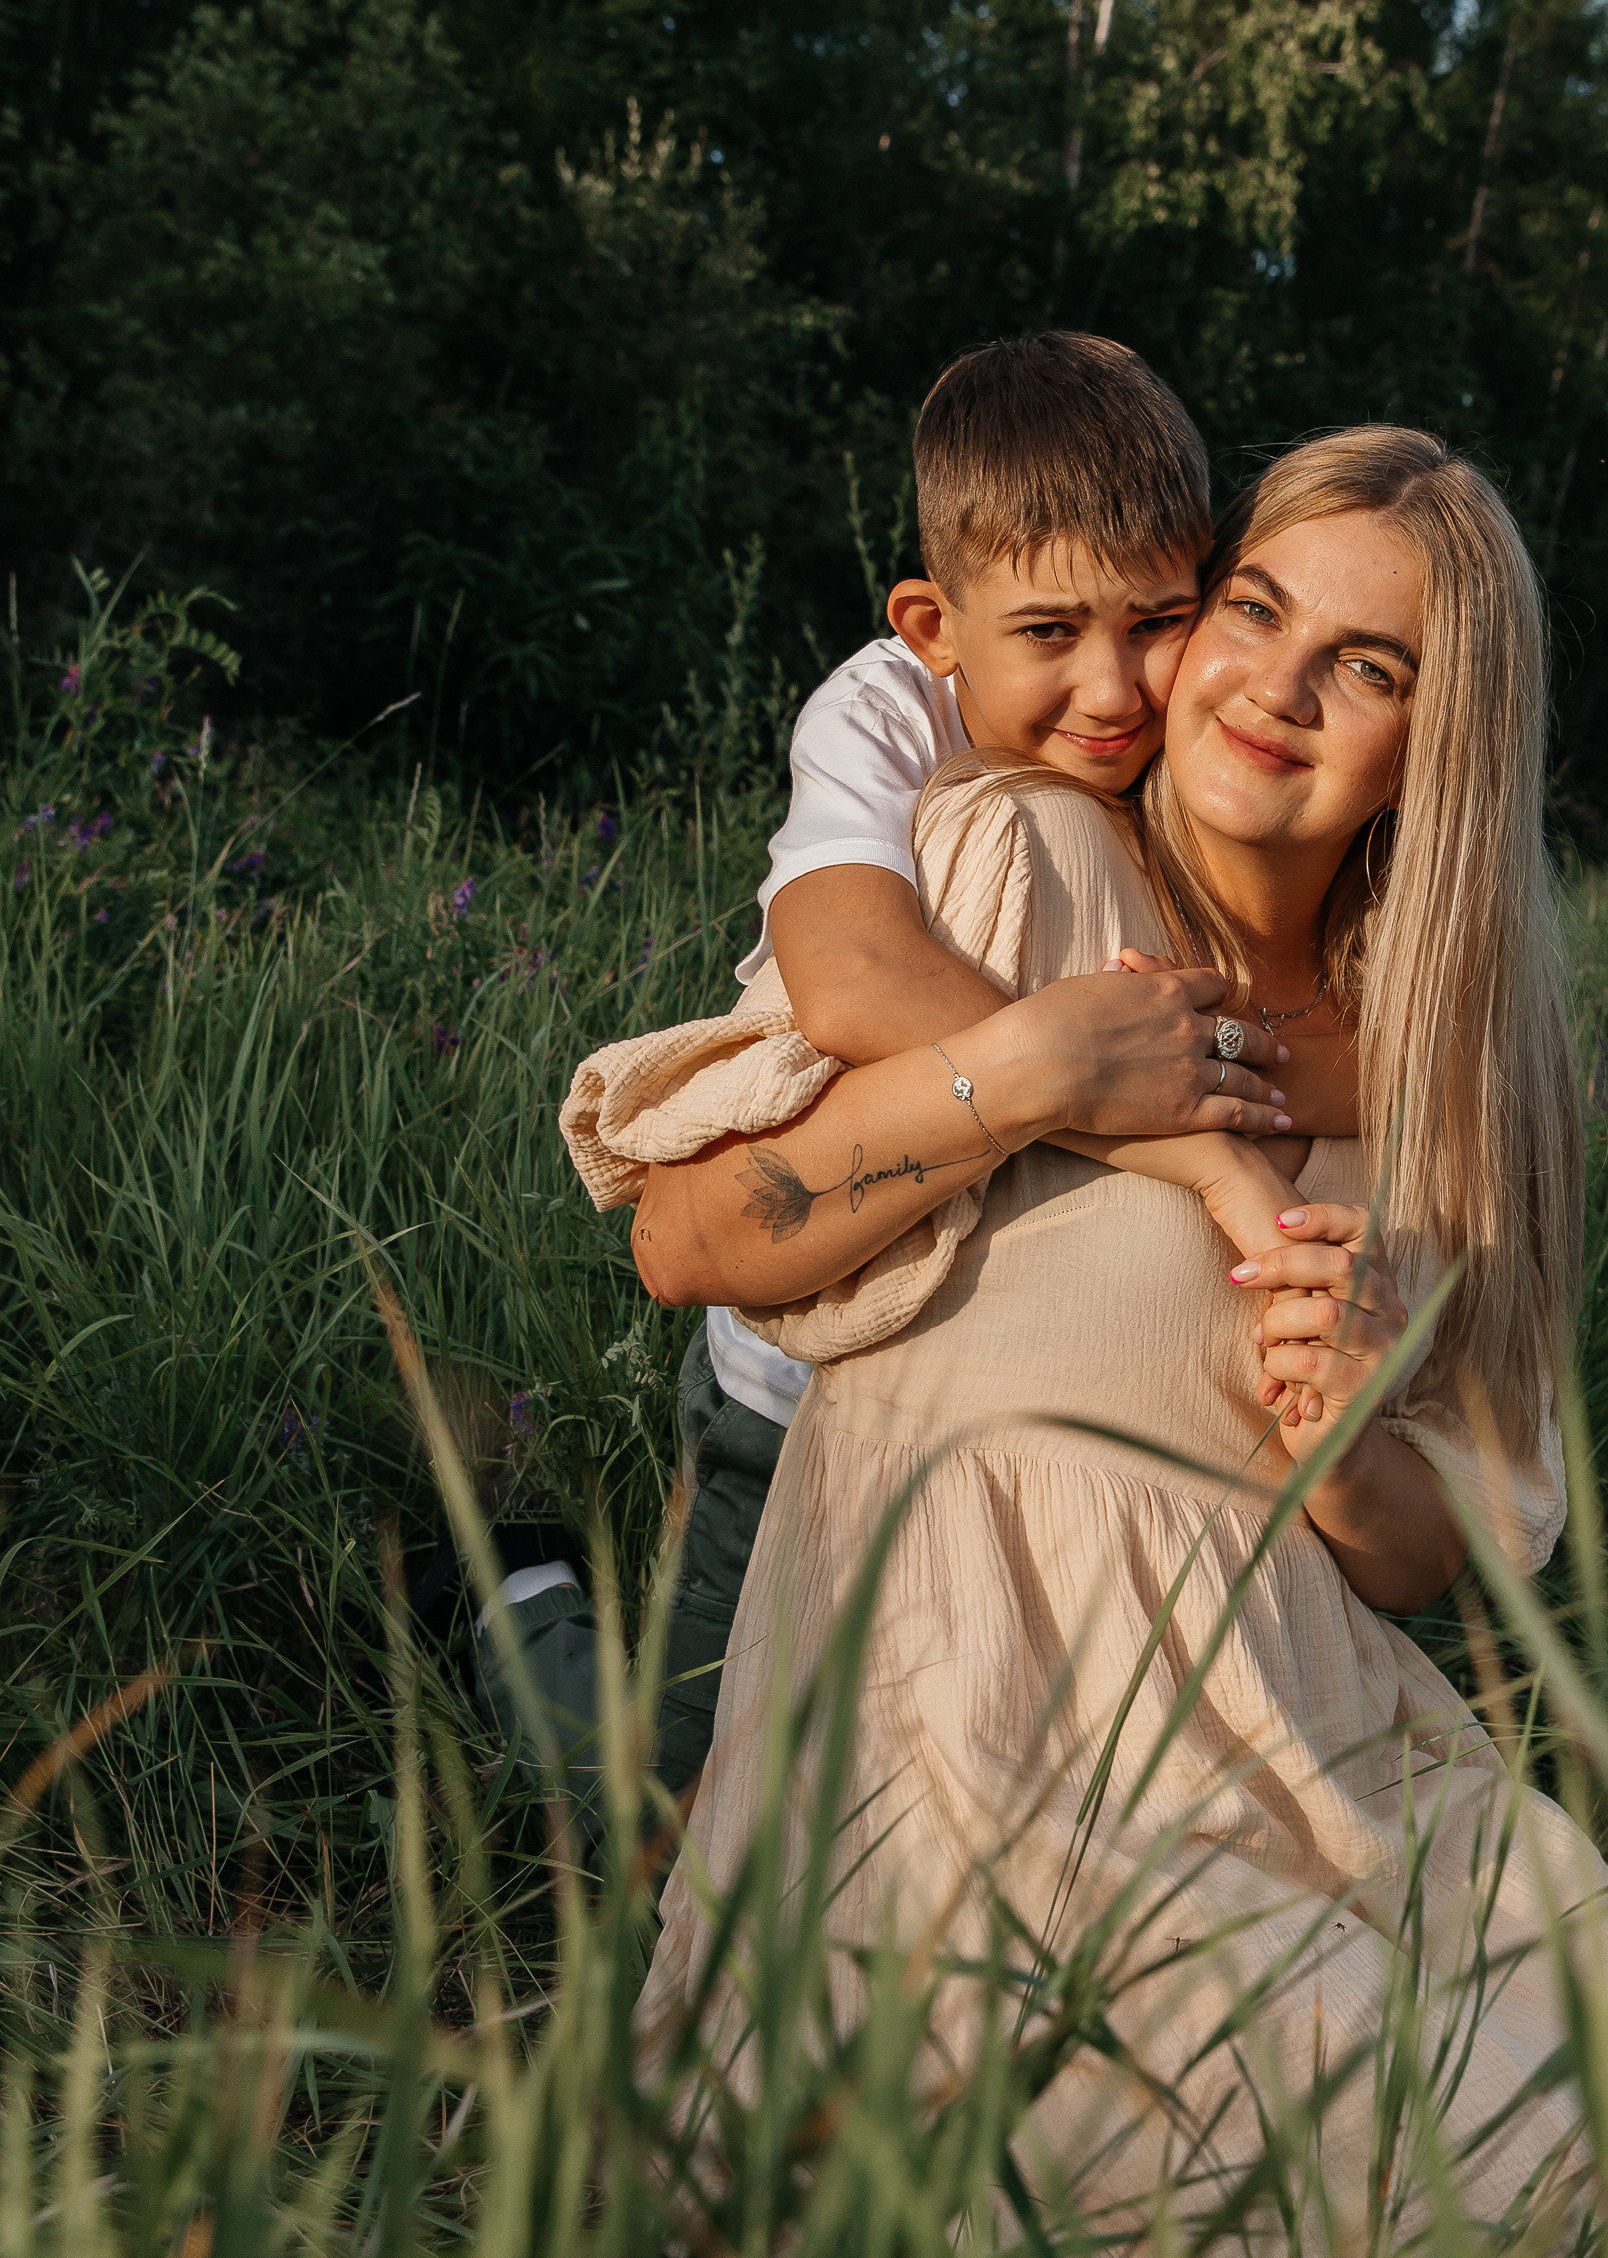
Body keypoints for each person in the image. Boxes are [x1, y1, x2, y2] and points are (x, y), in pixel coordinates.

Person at [563, 431, 1608, 2258]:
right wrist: (1031, 1067)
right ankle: (537, 1635)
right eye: (1253, 611)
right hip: (960, 1703)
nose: (1274, 686)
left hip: (1302, 1724)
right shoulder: (1010, 853)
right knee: (1432, 2172)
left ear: (1439, 743)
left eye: (1369, 665)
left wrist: (1354, 1423)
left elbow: (1424, 1554)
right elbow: (686, 1236)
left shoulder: (1450, 1082)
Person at [482, 333, 1275, 1844]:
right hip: (792, 1385)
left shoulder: (1208, 729)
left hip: (1018, 1429)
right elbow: (852, 978)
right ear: (933, 624)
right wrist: (1155, 1124)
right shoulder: (887, 712)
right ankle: (519, 1611)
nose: (1113, 687)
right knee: (677, 1822)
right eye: (1049, 630)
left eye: (1158, 620)